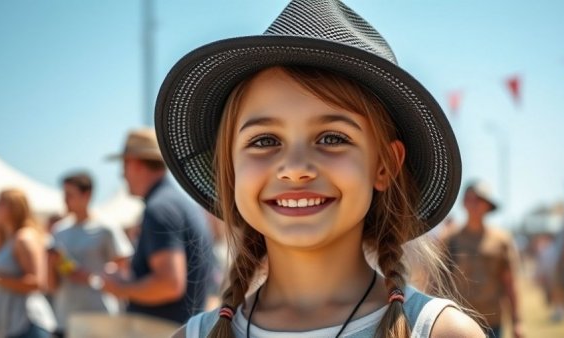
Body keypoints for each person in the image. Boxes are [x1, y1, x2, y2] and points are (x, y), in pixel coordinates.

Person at [154, 1, 484, 337]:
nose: (295, 169)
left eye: (331, 138)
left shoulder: (439, 331)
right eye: (265, 141)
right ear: (230, 168)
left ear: (385, 165)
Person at [101, 128, 215, 324]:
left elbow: (169, 284)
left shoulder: (159, 208)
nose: (122, 174)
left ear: (136, 163)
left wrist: (119, 287)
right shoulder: (175, 203)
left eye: (124, 164)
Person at [48, 172, 134, 337]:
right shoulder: (59, 231)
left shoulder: (106, 228)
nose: (65, 200)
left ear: (86, 195)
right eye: (64, 194)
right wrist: (52, 263)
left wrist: (91, 277)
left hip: (99, 317)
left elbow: (124, 270)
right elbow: (52, 284)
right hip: (65, 319)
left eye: (70, 195)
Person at [444, 181, 522, 338]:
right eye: (469, 199)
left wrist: (517, 321)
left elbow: (510, 283)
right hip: (459, 321)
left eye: (478, 200)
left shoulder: (501, 240)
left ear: (487, 205)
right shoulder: (450, 239)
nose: (473, 204)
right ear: (463, 203)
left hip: (492, 321)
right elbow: (438, 282)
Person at [0, 189, 56, 338]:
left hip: (29, 324)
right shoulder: (8, 240)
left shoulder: (24, 238)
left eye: (0, 203)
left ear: (13, 208)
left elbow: (37, 283)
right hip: (13, 324)